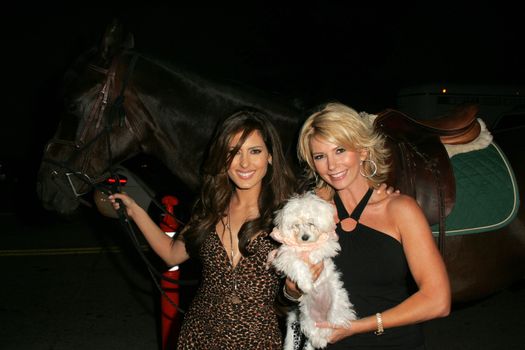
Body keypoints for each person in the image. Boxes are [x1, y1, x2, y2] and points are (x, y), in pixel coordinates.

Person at [109, 108, 297, 349]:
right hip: (200, 335)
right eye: (233, 152)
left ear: (270, 156)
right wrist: (135, 210)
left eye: (255, 151)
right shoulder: (211, 208)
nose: (244, 163)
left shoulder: (287, 214)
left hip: (258, 339)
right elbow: (172, 253)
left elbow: (298, 290)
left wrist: (294, 291)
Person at [284, 102, 451, 349]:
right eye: (320, 156)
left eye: (340, 150)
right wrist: (293, 289)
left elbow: (438, 301)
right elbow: (291, 293)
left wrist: (356, 327)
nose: (332, 165)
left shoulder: (400, 210)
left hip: (394, 343)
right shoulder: (312, 213)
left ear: (362, 150)